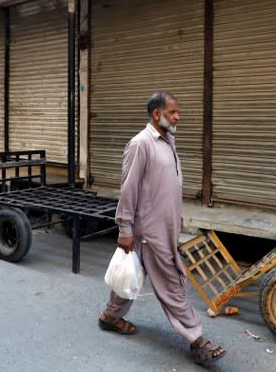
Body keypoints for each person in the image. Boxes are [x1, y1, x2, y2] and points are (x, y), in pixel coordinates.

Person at [98, 92, 226, 365]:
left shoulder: (168, 141)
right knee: (171, 285)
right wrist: (125, 229)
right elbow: (128, 189)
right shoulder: (140, 144)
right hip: (149, 232)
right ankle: (197, 340)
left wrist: (176, 217)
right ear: (157, 114)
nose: (178, 117)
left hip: (165, 227)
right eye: (173, 112)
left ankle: (110, 316)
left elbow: (166, 186)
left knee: (131, 274)